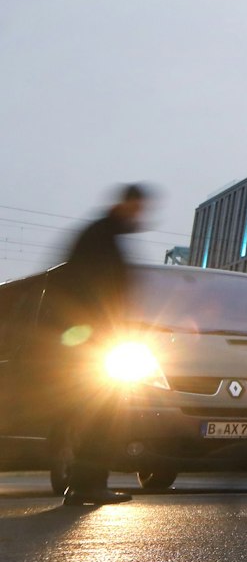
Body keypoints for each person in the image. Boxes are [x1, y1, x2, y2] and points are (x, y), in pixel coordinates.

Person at [49, 184, 151, 507]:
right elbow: (92, 290)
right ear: (127, 204)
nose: (140, 214)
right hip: (95, 342)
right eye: (137, 207)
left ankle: (83, 484)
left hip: (94, 339)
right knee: (100, 413)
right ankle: (87, 484)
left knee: (96, 413)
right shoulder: (101, 238)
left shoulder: (103, 236)